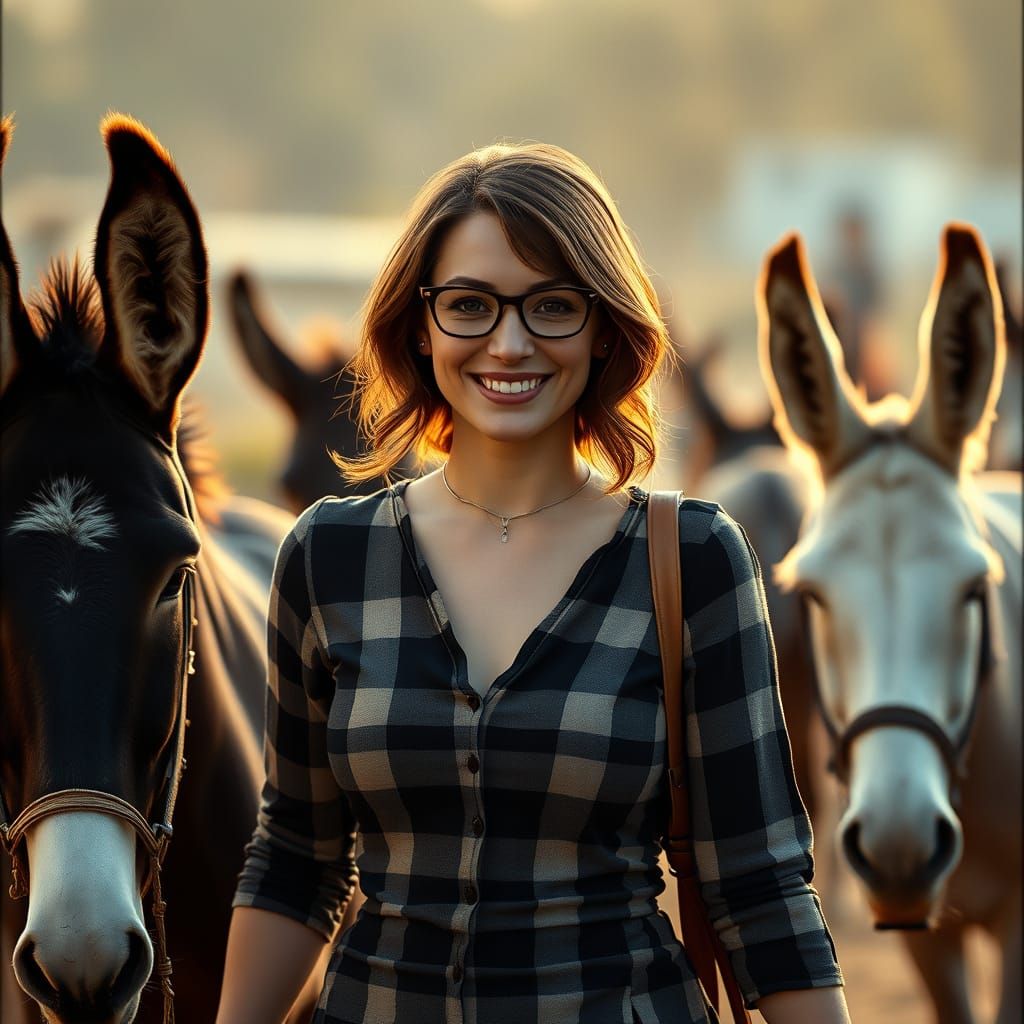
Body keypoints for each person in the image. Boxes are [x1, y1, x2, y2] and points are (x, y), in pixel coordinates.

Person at [216, 142, 849, 1024]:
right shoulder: (327, 557)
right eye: (469, 305)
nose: (508, 343)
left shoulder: (693, 560)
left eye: (552, 306)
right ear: (420, 322)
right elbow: (296, 859)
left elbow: (761, 885)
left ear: (603, 326)